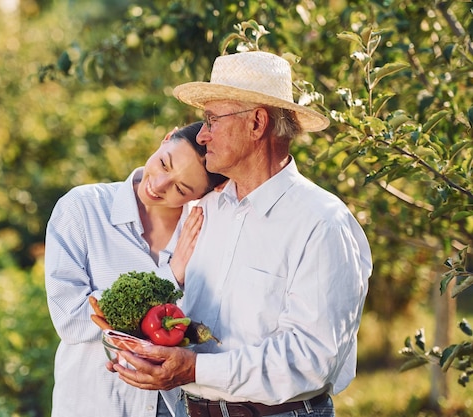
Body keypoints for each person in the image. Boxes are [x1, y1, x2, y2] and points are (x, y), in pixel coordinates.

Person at [109, 51, 373, 417]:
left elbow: (311, 358)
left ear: (256, 124)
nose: (202, 135)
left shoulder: (322, 223)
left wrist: (193, 368)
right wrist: (147, 354)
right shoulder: (205, 210)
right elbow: (183, 320)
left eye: (212, 119)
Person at [44, 121, 227, 417]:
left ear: (201, 194)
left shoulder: (207, 231)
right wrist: (170, 278)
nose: (158, 185)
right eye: (164, 163)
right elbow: (71, 319)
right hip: (93, 405)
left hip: (173, 407)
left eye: (181, 188)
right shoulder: (82, 209)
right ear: (167, 137)